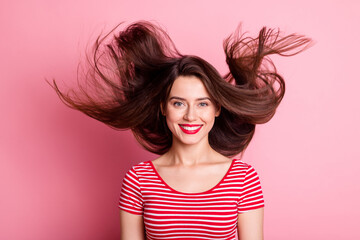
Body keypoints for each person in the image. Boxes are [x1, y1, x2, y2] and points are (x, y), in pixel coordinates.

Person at [51, 21, 311, 239]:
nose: (190, 115)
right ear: (163, 107)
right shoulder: (138, 180)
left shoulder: (243, 179)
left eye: (202, 103)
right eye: (178, 103)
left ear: (217, 109)